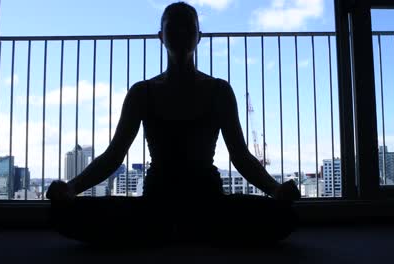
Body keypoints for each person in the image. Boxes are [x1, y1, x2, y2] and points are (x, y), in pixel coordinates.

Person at [46, 1, 301, 248]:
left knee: (285, 217)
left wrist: (275, 189)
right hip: (164, 203)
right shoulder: (144, 92)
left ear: (199, 36)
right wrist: (71, 188)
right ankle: (192, 229)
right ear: (161, 36)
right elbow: (114, 155)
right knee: (63, 213)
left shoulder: (218, 91)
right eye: (173, 28)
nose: (180, 33)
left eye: (187, 28)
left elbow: (241, 156)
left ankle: (170, 230)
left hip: (200, 201)